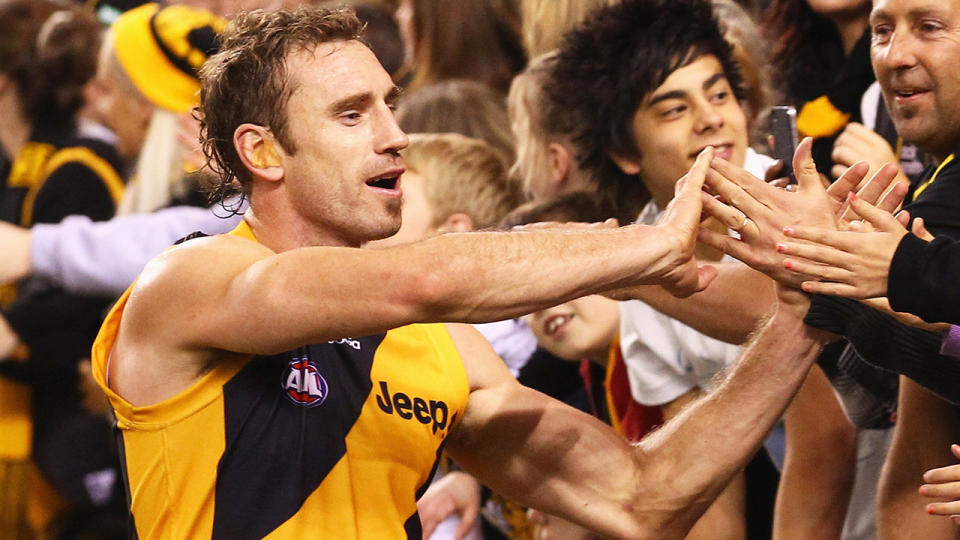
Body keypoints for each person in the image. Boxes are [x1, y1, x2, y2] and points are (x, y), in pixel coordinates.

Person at [91, 6, 832, 539]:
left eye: (390, 104)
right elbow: (425, 281)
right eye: (353, 115)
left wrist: (804, 312)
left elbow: (640, 499)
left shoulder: (443, 352)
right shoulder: (187, 283)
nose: (395, 134)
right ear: (264, 152)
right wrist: (652, 246)